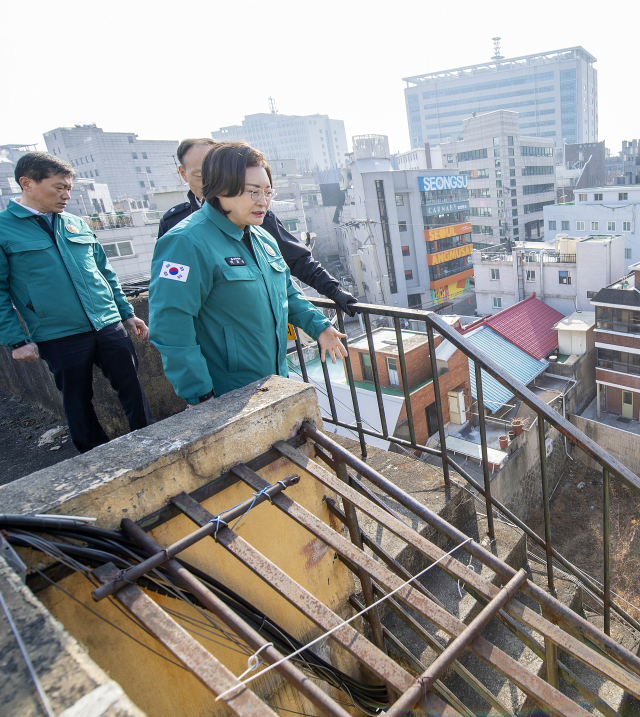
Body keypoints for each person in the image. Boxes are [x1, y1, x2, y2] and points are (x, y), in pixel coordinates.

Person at [149, 142, 348, 404]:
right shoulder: (186, 242)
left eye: (267, 192)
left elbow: (286, 293)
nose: (263, 202)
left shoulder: (261, 237)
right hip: (226, 393)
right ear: (221, 189)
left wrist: (319, 326)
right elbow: (170, 324)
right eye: (253, 192)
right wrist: (200, 394)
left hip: (274, 382)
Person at [0, 152, 154, 453]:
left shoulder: (74, 223)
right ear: (26, 183)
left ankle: (149, 441)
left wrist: (126, 313)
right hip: (58, 332)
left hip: (107, 323)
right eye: (58, 187)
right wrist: (16, 340)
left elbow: (104, 270)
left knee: (132, 388)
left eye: (69, 188)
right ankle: (95, 456)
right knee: (77, 400)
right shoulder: (5, 228)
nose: (66, 195)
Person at [158, 138, 358, 316]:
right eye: (202, 175)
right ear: (183, 174)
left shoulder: (258, 225)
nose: (261, 201)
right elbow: (171, 316)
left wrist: (332, 296)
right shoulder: (179, 233)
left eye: (267, 192)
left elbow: (290, 276)